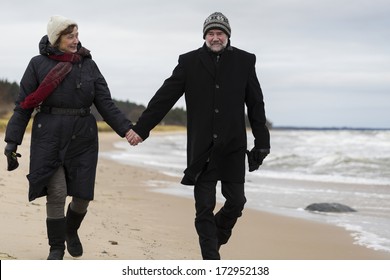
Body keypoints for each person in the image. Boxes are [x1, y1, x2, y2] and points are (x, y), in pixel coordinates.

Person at [126, 12, 270, 260]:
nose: (216, 38)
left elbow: (256, 105)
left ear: (228, 36)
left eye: (220, 33)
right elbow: (164, 98)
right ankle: (210, 260)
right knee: (203, 207)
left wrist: (262, 143)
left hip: (233, 147)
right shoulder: (188, 62)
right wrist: (141, 128)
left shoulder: (245, 62)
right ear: (204, 36)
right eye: (211, 33)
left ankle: (214, 238)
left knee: (236, 202)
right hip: (201, 149)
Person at [3, 15, 134, 260]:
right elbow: (24, 105)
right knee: (57, 192)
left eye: (76, 35)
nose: (76, 41)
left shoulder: (89, 65)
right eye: (69, 36)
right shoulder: (37, 64)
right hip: (49, 135)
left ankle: (70, 231)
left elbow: (105, 103)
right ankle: (56, 249)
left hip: (83, 137)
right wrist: (12, 142)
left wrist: (127, 129)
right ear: (56, 39)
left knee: (83, 195)